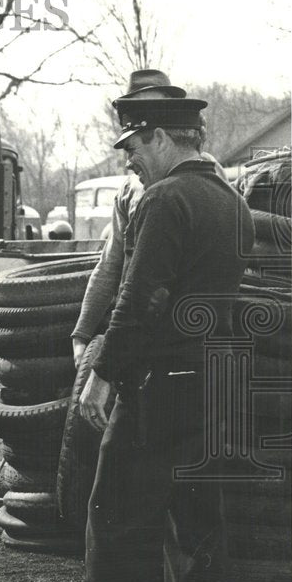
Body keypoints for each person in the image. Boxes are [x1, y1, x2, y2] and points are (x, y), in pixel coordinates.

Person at [38, 95, 254, 582]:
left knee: (116, 516)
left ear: (160, 137)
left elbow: (139, 298)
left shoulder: (165, 199)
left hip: (159, 383)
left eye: (132, 147)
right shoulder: (229, 200)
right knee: (197, 519)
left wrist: (102, 375)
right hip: (214, 379)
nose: (129, 161)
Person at [71, 70, 228, 366]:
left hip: (182, 331)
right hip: (133, 325)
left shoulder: (206, 173)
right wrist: (81, 335)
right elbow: (110, 266)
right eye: (138, 109)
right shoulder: (130, 190)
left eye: (155, 108)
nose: (146, 116)